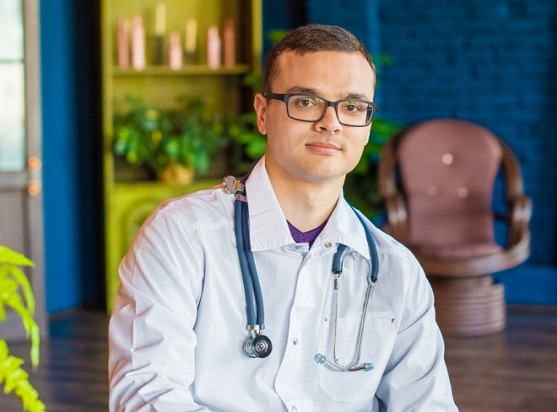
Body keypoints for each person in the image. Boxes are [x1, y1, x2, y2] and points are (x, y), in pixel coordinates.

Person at [108, 24, 458, 411]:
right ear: (263, 114)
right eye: (306, 101)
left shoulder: (397, 271)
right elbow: (145, 389)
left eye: (352, 107)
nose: (331, 122)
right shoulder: (181, 234)